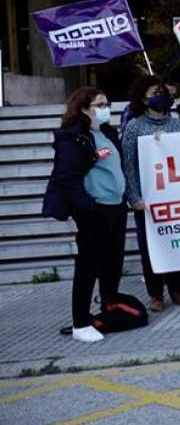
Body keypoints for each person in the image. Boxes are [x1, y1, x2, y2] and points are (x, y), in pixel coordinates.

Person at [42, 87, 128, 343]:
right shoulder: (73, 138)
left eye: (106, 103)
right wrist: (88, 207)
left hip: (116, 206)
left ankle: (108, 310)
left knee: (113, 263)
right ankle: (80, 322)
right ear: (83, 109)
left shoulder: (106, 132)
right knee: (88, 266)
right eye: (99, 104)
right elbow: (67, 178)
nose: (105, 109)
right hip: (95, 210)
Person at [121, 75, 180, 313]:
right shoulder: (134, 127)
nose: (160, 96)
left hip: (173, 196)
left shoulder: (178, 125)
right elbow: (128, 164)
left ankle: (177, 289)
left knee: (176, 242)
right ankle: (155, 293)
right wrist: (134, 197)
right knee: (149, 247)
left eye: (162, 91)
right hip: (147, 199)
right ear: (143, 98)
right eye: (154, 92)